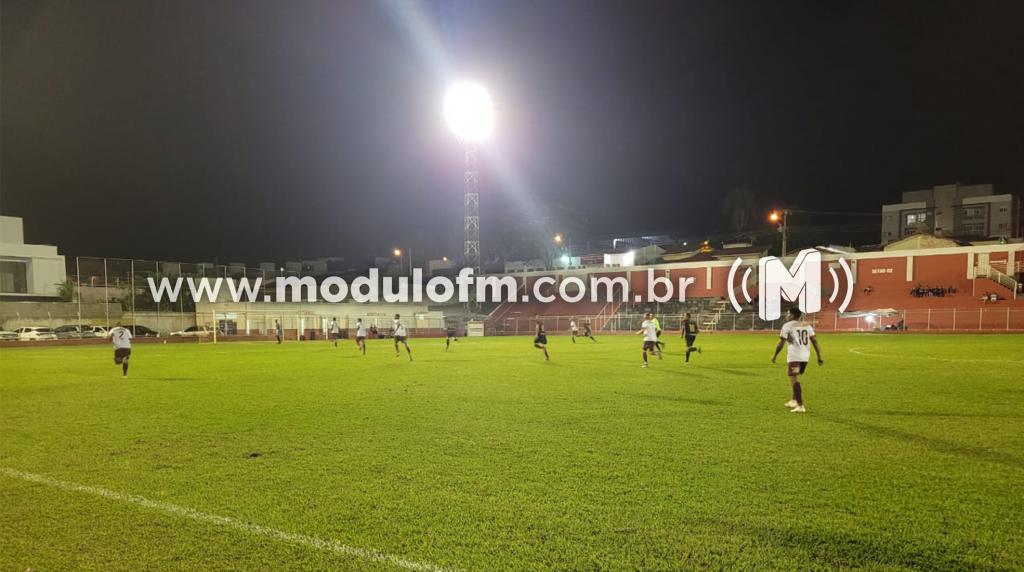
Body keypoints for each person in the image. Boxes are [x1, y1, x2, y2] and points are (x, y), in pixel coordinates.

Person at [771, 307, 823, 413]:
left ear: (793, 315)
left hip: (795, 356)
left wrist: (775, 355)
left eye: (788, 313)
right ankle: (794, 400)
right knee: (794, 377)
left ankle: (800, 405)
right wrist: (819, 356)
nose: (786, 315)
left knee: (794, 379)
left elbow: (781, 342)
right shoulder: (807, 325)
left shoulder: (787, 326)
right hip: (805, 357)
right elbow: (815, 341)